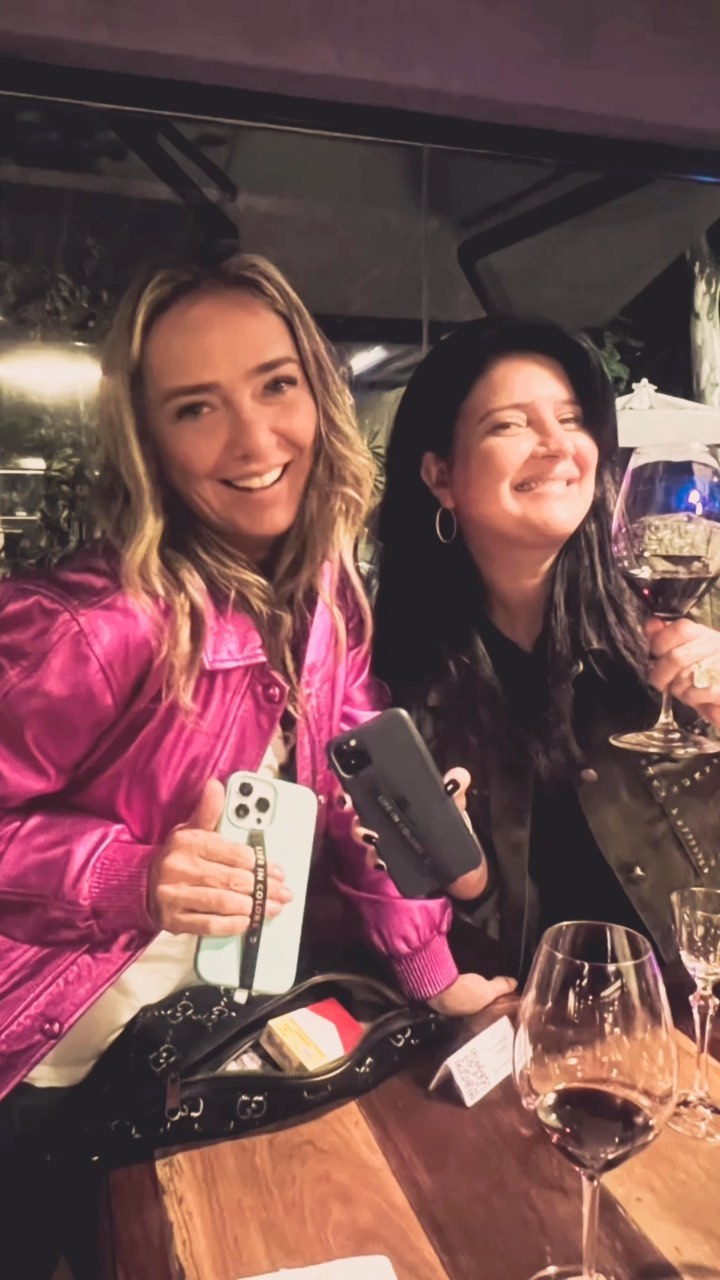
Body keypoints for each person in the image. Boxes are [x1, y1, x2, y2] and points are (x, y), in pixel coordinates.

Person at [0, 254, 502, 1279]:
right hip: (45, 1068)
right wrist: (126, 873)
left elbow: (360, 792)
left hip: (212, 1048)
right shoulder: (87, 626)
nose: (254, 439)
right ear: (147, 440)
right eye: (196, 407)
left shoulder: (326, 598)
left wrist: (434, 974)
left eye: (276, 384)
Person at [373, 315, 720, 982]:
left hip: (697, 1014)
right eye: (510, 425)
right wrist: (468, 881)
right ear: (441, 476)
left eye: (573, 419)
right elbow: (468, 946)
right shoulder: (404, 681)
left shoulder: (691, 615)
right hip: (537, 1023)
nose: (558, 445)